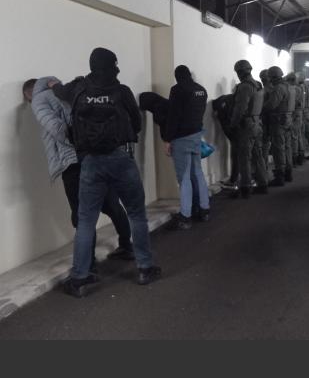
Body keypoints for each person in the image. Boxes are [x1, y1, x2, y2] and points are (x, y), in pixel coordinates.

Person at [52, 47, 161, 297]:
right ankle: (145, 268)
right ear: (112, 66)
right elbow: (136, 123)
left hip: (90, 162)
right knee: (136, 214)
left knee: (86, 220)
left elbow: (59, 91)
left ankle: (80, 278)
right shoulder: (122, 91)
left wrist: (52, 84)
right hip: (121, 158)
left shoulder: (78, 89)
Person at [23, 77, 135, 267]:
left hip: (72, 161)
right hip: (95, 155)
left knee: (81, 213)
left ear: (29, 94)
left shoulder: (38, 100)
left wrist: (74, 143)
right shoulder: (66, 90)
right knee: (111, 204)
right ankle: (127, 246)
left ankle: (87, 265)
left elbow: (57, 129)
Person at [139, 91, 209, 210]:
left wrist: (167, 141)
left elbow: (166, 126)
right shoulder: (169, 104)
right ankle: (200, 207)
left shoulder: (158, 109)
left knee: (185, 178)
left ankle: (191, 209)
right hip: (190, 139)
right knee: (193, 174)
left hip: (179, 143)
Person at [161, 65, 211, 230]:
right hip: (196, 135)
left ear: (177, 77)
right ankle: (204, 209)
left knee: (184, 178)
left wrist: (167, 139)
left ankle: (185, 216)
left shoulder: (177, 90)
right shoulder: (201, 90)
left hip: (181, 139)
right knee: (198, 173)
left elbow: (173, 116)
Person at [230, 60, 268, 198]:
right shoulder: (258, 84)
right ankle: (263, 184)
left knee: (244, 157)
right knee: (258, 155)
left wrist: (233, 124)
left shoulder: (245, 87)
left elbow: (240, 108)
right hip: (257, 123)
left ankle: (245, 187)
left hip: (247, 126)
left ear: (240, 72)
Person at [264, 66, 292, 186]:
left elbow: (271, 105)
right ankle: (288, 173)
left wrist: (260, 107)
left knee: (278, 149)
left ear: (273, 77)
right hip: (287, 120)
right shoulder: (289, 87)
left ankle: (280, 176)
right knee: (287, 147)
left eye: (270, 78)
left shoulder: (279, 88)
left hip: (278, 121)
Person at [285, 72, 305, 166]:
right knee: (298, 136)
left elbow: (293, 103)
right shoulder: (298, 88)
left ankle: (295, 158)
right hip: (298, 113)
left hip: (295, 114)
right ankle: (300, 156)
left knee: (294, 137)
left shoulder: (294, 89)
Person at [297, 72, 309, 160]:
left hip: (302, 113)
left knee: (300, 134)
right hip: (308, 112)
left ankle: (301, 155)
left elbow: (301, 102)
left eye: (297, 77)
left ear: (301, 78)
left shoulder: (301, 87)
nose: (296, 79)